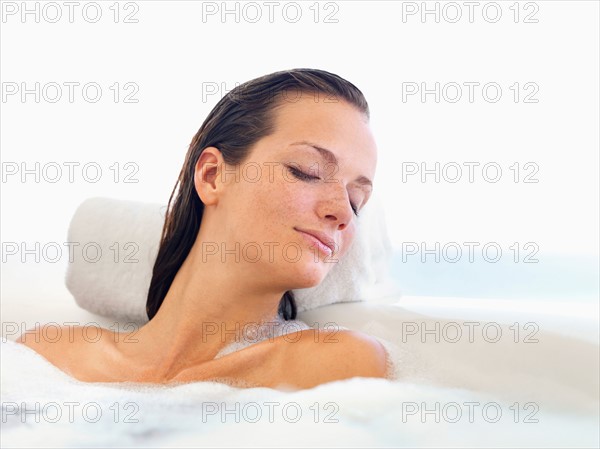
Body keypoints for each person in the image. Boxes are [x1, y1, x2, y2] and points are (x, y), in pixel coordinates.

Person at [18, 68, 389, 389]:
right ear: (212, 176)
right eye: (307, 171)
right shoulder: (49, 358)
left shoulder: (337, 367)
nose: (343, 212)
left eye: (357, 202)